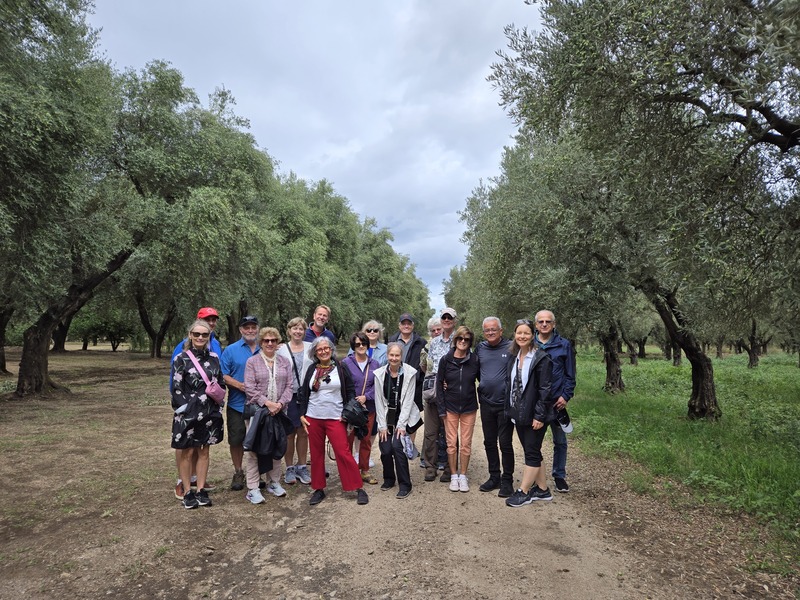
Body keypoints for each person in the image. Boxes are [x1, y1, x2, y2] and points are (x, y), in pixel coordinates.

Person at [298, 337, 369, 506]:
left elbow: (350, 390)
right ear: (315, 352)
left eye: (326, 348)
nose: (323, 351)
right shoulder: (311, 369)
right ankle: (318, 488)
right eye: (319, 349)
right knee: (316, 454)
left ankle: (357, 487)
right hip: (313, 417)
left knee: (343, 452)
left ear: (331, 349)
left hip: (336, 417)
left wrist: (347, 414)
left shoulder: (341, 367)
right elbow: (303, 393)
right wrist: (302, 415)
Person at [171, 319, 226, 509]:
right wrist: (187, 409)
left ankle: (201, 489)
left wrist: (218, 405)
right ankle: (187, 491)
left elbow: (220, 383)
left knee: (204, 451)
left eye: (204, 334)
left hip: (210, 412)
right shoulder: (181, 359)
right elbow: (176, 388)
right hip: (189, 412)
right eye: (197, 334)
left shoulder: (214, 358)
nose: (200, 337)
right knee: (188, 451)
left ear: (209, 336)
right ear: (190, 336)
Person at [504, 319, 555, 508]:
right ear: (515, 335)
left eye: (526, 333)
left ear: (532, 335)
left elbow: (545, 390)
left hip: (535, 414)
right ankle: (542, 489)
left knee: (531, 452)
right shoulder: (514, 356)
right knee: (531, 450)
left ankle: (524, 491)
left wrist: (539, 416)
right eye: (519, 333)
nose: (522, 336)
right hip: (519, 413)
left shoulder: (541, 358)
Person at [243, 326, 293, 504]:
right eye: (266, 340)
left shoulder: (285, 362)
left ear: (278, 342)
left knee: (277, 448)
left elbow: (289, 386)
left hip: (279, 412)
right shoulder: (252, 362)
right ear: (260, 342)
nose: (270, 343)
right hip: (258, 413)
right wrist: (268, 403)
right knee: (255, 451)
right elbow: (249, 388)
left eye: (273, 340)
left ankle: (274, 482)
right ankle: (253, 488)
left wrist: (279, 404)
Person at [535, 310, 577, 493]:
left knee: (560, 441)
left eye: (548, 321)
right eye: (541, 321)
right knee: (533, 443)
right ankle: (537, 476)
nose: (544, 324)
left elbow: (570, 374)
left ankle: (559, 475)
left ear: (554, 324)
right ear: (536, 325)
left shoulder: (564, 345)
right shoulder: (530, 343)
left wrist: (566, 396)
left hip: (557, 403)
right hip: (537, 403)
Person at [373, 342, 421, 499]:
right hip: (386, 416)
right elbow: (379, 402)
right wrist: (381, 426)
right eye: (391, 355)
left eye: (397, 355)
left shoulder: (409, 373)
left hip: (403, 416)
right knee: (385, 448)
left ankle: (405, 484)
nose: (394, 358)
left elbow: (408, 401)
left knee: (397, 446)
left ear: (402, 357)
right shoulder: (379, 374)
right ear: (387, 355)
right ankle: (388, 479)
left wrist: (401, 425)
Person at [436, 325, 480, 493]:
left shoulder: (474, 360)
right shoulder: (446, 360)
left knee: (466, 444)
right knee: (451, 443)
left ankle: (463, 475)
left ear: (470, 342)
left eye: (467, 339)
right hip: (450, 407)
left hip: (469, 407)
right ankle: (454, 476)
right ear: (455, 340)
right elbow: (439, 385)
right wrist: (441, 409)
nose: (463, 341)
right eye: (460, 338)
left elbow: (482, 379)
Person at [476, 316, 515, 498]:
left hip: (505, 404)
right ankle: (494, 477)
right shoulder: (480, 348)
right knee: (489, 442)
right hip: (486, 403)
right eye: (487, 330)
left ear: (501, 330)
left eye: (494, 329)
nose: (490, 333)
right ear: (483, 332)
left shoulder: (511, 347)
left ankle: (507, 480)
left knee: (505, 443)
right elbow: (473, 371)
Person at [220, 315, 260, 492]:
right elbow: (223, 374)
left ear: (257, 329)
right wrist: (240, 386)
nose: (250, 330)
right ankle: (238, 471)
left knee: (259, 439)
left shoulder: (265, 347)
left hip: (260, 404)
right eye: (247, 327)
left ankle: (256, 472)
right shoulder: (230, 350)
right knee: (236, 440)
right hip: (237, 403)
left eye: (253, 327)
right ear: (241, 330)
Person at [276, 317, 314, 485]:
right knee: (289, 433)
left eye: (301, 329)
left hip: (306, 395)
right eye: (295, 328)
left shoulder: (310, 347)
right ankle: (290, 467)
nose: (298, 331)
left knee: (303, 432)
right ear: (289, 330)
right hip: (289, 395)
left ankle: (302, 466)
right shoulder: (281, 349)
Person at [341, 332, 380, 485]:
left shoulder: (375, 364)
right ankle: (349, 470)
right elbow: (342, 386)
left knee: (365, 440)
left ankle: (364, 470)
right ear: (353, 346)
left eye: (363, 343)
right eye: (357, 344)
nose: (361, 346)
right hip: (351, 410)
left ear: (367, 345)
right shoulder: (345, 363)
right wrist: (353, 400)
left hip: (368, 409)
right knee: (348, 441)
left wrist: (366, 397)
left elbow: (378, 385)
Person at [423, 308, 457, 483]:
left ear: (454, 320)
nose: (446, 320)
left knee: (449, 432)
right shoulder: (434, 343)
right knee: (430, 431)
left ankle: (450, 468)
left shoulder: (459, 340)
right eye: (444, 317)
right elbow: (427, 366)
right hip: (433, 391)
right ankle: (430, 466)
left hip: (450, 392)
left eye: (449, 317)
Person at [387, 312, 426, 458]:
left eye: (409, 323)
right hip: (395, 383)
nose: (406, 325)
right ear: (399, 325)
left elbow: (424, 362)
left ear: (412, 325)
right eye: (403, 323)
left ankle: (409, 444)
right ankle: (396, 443)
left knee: (412, 414)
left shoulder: (420, 342)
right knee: (395, 413)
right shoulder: (392, 340)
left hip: (414, 384)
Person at [419, 316, 442, 470]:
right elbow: (423, 367)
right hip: (430, 392)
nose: (436, 332)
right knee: (430, 428)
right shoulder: (426, 348)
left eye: (438, 329)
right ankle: (427, 460)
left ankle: (444, 460)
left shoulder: (452, 344)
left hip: (448, 392)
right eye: (433, 330)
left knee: (446, 428)